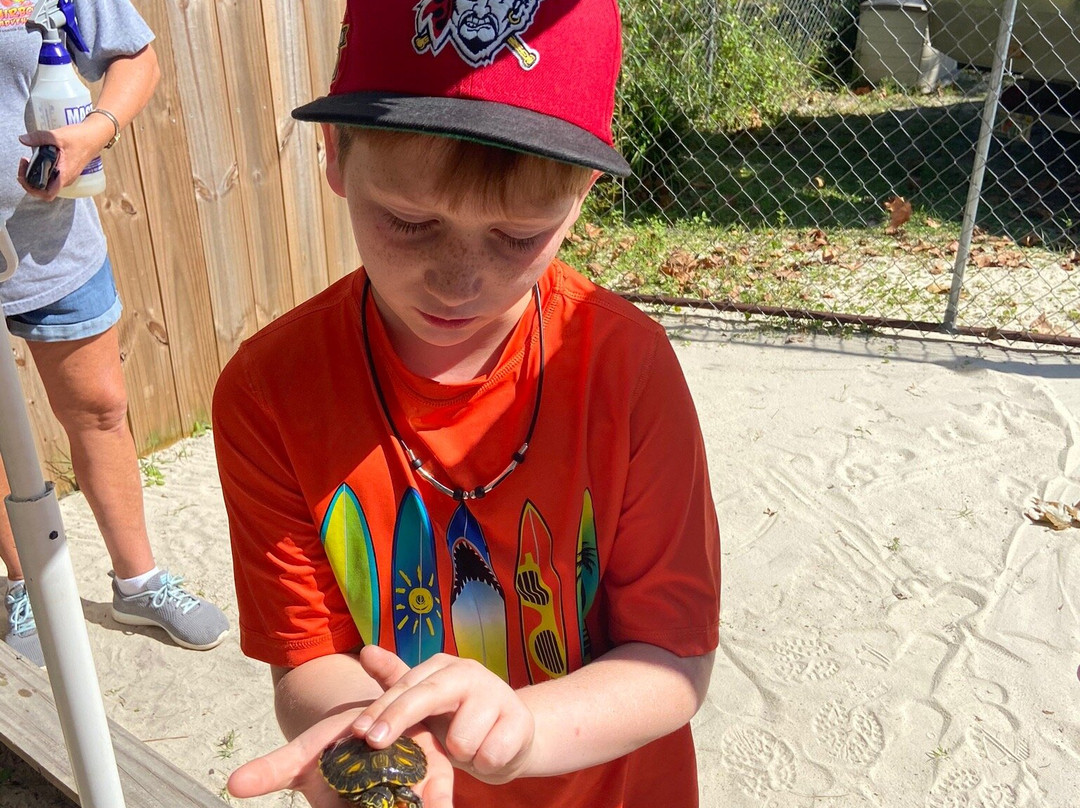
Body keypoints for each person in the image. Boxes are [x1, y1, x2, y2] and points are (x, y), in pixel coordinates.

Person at [213, 0, 721, 805]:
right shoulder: (269, 391)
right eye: (410, 223)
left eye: (519, 238)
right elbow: (306, 654)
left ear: (583, 189)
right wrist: (374, 746)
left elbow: (674, 660)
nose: (458, 282)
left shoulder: (629, 369)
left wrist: (523, 730)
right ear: (336, 152)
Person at [1, 0, 229, 668]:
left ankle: (139, 581)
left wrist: (96, 129)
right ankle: (27, 589)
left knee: (100, 411)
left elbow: (137, 56)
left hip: (55, 247)